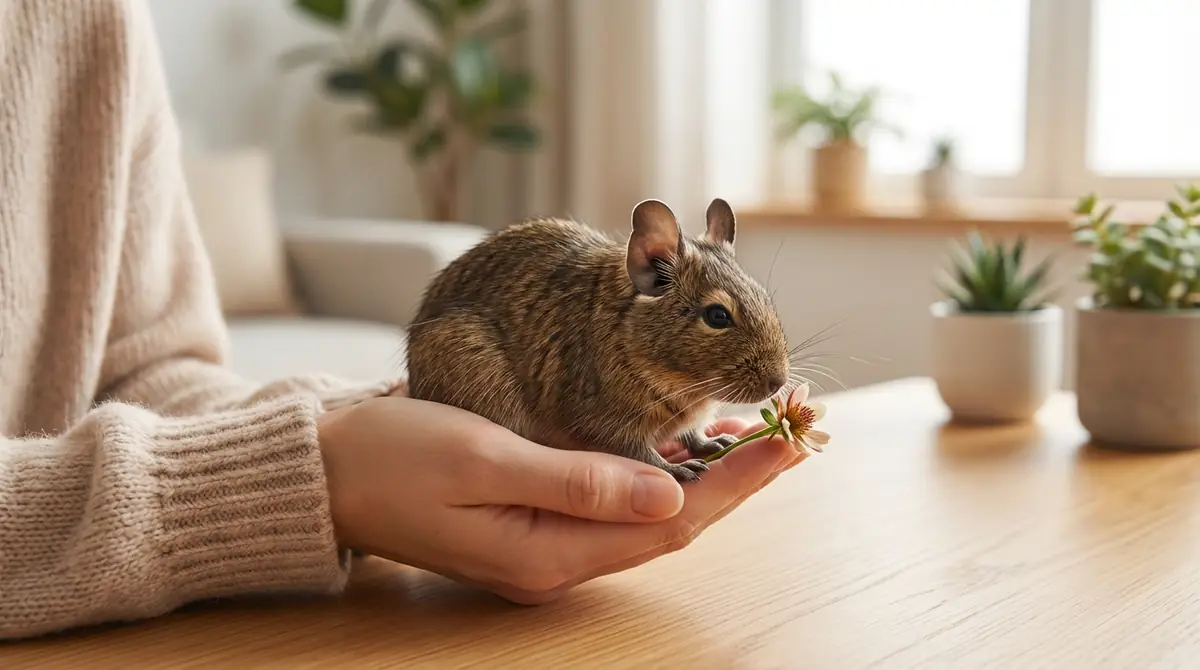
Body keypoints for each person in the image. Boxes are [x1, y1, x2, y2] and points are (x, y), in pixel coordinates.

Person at [0, 0, 804, 641]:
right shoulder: (620, 342)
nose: (769, 372)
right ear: (651, 270)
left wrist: (342, 432)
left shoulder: (95, 18)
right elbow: (597, 414)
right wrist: (320, 480)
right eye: (719, 323)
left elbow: (147, 367)